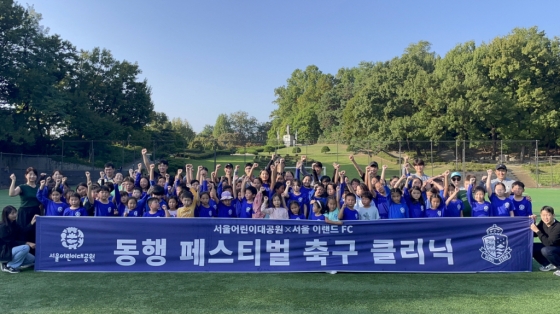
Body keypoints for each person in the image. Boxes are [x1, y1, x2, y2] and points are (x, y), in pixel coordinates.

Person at [0, 206, 37, 274]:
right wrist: (27, 243)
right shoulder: (2, 226)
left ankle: (7, 263)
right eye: (12, 213)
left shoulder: (14, 224)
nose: (15, 215)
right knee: (25, 247)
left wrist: (32, 222)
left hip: (12, 249)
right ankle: (9, 266)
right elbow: (9, 242)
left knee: (32, 259)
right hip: (4, 251)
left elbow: (23, 231)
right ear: (6, 215)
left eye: (15, 212)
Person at [8, 167, 41, 242]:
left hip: (36, 211)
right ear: (26, 175)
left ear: (36, 176)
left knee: (35, 232)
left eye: (34, 174)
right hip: (24, 212)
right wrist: (13, 180)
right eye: (30, 174)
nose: (32, 176)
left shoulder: (39, 188)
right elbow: (11, 194)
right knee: (24, 231)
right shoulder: (22, 187)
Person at [530, 206, 560, 276]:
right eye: (543, 215)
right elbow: (535, 234)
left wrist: (537, 230)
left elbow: (548, 243)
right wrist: (533, 222)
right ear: (540, 215)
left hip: (556, 248)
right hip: (552, 247)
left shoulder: (558, 226)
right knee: (532, 247)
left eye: (548, 215)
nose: (546, 218)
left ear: (553, 215)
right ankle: (548, 264)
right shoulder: (543, 223)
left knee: (546, 250)